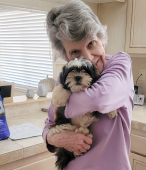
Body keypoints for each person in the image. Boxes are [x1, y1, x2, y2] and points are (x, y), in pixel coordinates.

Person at [42, 1, 134, 169]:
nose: (89, 58)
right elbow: (49, 125)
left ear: (102, 40)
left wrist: (66, 104)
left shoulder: (120, 64)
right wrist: (55, 138)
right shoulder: (65, 76)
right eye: (75, 52)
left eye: (91, 43)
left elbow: (101, 97)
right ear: (67, 57)